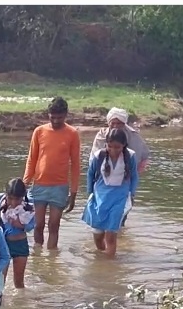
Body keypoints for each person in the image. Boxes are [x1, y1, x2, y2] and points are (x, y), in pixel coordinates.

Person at [23, 96, 81, 250]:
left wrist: (73, 193)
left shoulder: (72, 133)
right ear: (48, 114)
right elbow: (32, 158)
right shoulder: (39, 131)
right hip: (40, 184)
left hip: (60, 187)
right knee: (38, 224)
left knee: (54, 225)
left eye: (60, 118)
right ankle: (38, 256)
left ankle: (52, 260)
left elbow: (75, 165)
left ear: (66, 115)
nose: (56, 121)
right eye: (52, 117)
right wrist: (25, 183)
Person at [81, 128, 139, 259]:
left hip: (120, 197)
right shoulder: (99, 156)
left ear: (124, 145)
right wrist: (90, 193)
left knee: (111, 233)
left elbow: (134, 176)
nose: (113, 150)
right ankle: (102, 256)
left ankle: (109, 265)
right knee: (97, 232)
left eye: (117, 147)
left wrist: (132, 193)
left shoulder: (129, 156)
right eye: (110, 146)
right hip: (100, 195)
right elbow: (90, 174)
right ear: (106, 144)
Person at [90, 107, 151, 227]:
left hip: (125, 181)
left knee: (120, 216)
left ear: (125, 123)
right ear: (109, 123)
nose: (116, 126)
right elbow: (94, 161)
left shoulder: (133, 136)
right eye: (114, 123)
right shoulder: (102, 135)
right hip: (104, 181)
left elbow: (143, 156)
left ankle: (118, 238)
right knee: (101, 214)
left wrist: (133, 181)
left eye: (120, 124)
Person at [0, 178, 34, 290]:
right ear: (5, 194)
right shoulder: (0, 199)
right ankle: (0, 304)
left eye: (17, 199)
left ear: (23, 196)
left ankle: (20, 305)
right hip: (2, 244)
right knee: (0, 281)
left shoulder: (28, 205)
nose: (14, 203)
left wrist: (21, 225)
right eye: (10, 198)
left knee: (19, 283)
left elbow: (32, 225)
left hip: (20, 245)